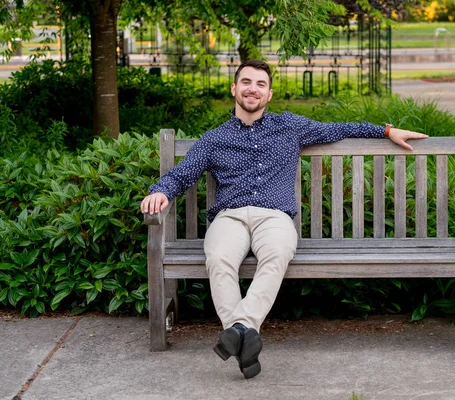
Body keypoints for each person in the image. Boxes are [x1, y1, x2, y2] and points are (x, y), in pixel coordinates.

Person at [140, 60, 428, 379]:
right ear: (234, 89)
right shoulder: (213, 139)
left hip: (275, 216)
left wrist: (386, 130)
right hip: (230, 217)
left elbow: (340, 129)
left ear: (269, 94)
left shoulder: (290, 127)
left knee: (277, 254)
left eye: (260, 84)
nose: (253, 88)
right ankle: (245, 336)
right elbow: (183, 173)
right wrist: (161, 191)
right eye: (246, 82)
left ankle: (239, 330)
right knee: (219, 257)